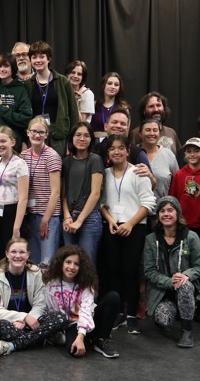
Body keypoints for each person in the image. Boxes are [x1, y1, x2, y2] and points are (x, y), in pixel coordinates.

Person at [98, 135, 156, 335]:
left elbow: (149, 203)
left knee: (130, 272)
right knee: (112, 271)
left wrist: (130, 223)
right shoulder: (104, 174)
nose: (116, 152)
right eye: (112, 148)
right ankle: (117, 313)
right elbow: (101, 202)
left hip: (134, 227)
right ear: (108, 153)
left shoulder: (138, 172)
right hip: (111, 226)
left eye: (120, 148)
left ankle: (131, 314)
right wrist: (111, 220)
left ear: (127, 150)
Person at [143, 197, 200, 348]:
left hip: (184, 287)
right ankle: (178, 310)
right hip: (162, 291)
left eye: (170, 210)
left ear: (178, 214)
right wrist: (168, 281)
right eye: (162, 211)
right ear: (158, 215)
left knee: (184, 286)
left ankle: (186, 331)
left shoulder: (191, 237)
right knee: (163, 319)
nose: (166, 214)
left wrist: (186, 276)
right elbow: (149, 270)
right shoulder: (151, 239)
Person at [0, 238, 65, 356]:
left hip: (33, 321)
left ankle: (13, 345)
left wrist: (28, 320)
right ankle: (45, 336)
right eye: (13, 252)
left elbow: (40, 304)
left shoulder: (36, 272)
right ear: (7, 254)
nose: (17, 256)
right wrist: (23, 317)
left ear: (28, 254)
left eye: (22, 252)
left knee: (60, 317)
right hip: (11, 323)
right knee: (0, 327)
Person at [44, 245, 120, 358]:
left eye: (76, 264)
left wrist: (80, 336)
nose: (71, 267)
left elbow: (86, 310)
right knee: (74, 351)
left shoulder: (86, 284)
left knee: (113, 297)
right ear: (61, 263)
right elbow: (50, 311)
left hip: (87, 319)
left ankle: (102, 339)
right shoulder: (51, 284)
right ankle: (90, 339)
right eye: (68, 262)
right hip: (71, 325)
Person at [169, 137, 200, 321]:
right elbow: (173, 198)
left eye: (196, 150)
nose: (192, 154)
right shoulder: (180, 175)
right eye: (188, 151)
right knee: (182, 266)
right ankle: (184, 303)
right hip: (185, 227)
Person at [22, 41, 80, 156]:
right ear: (30, 61)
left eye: (42, 56)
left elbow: (73, 113)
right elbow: (24, 114)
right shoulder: (28, 84)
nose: (38, 60)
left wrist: (71, 142)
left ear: (48, 59)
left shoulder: (63, 82)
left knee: (57, 170)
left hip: (58, 136)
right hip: (35, 135)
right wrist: (25, 139)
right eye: (34, 57)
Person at [0, 126, 29, 272]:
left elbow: (23, 198)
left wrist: (16, 227)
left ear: (12, 142)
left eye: (3, 141)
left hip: (12, 212)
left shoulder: (20, 164)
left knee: (10, 255)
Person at [61, 122, 105, 265]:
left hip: (89, 218)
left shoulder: (95, 160)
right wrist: (67, 216)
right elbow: (63, 194)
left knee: (87, 264)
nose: (82, 139)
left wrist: (79, 220)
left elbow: (95, 193)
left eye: (86, 135)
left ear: (91, 139)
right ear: (72, 138)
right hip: (70, 218)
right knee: (69, 263)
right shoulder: (66, 161)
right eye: (78, 135)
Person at [21, 117, 62, 268]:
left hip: (48, 217)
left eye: (41, 132)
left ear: (47, 135)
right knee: (33, 263)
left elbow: (56, 192)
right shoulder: (24, 156)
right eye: (34, 131)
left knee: (47, 263)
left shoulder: (52, 156)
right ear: (28, 132)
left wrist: (45, 220)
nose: (37, 135)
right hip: (31, 216)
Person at [139, 119, 179, 199]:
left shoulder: (168, 155)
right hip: (138, 208)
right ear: (140, 134)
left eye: (155, 130)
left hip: (163, 209)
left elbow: (177, 183)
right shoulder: (134, 153)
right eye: (148, 130)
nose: (152, 133)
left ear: (159, 134)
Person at [90, 72, 129, 141]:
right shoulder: (93, 105)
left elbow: (126, 133)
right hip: (94, 143)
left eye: (116, 85)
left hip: (116, 142)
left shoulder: (123, 108)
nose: (113, 87)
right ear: (103, 85)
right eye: (109, 83)